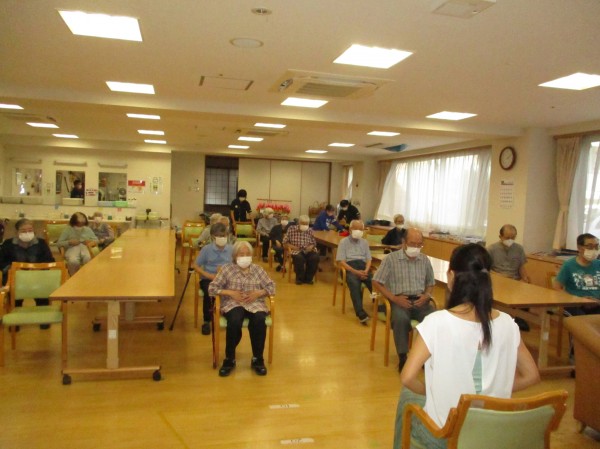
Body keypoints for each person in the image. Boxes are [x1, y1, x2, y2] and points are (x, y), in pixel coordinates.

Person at [393, 243, 540, 448]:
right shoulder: (508, 323)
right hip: (494, 434)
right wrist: (497, 392)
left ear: (451, 276)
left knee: (407, 396)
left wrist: (433, 391)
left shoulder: (437, 322)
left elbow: (407, 377)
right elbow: (532, 376)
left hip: (447, 436)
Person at [209, 241, 276, 377]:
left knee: (259, 320)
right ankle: (229, 359)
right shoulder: (227, 269)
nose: (245, 257)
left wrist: (259, 293)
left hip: (255, 303)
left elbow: (272, 286)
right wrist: (229, 292)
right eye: (241, 254)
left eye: (247, 254)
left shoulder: (258, 270)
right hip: (233, 303)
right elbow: (212, 288)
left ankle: (257, 359)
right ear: (235, 256)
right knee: (234, 320)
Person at [373, 228, 436, 371]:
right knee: (400, 319)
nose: (416, 247)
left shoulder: (424, 260)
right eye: (413, 244)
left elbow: (430, 283)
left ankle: (423, 355)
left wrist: (426, 295)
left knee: (434, 318)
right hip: (399, 300)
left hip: (420, 301)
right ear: (404, 242)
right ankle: (403, 357)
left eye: (419, 244)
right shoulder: (391, 259)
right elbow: (376, 281)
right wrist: (394, 298)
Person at [0, 219, 55, 328]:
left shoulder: (41, 243)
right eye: (23, 231)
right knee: (14, 293)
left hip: (37, 277)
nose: (27, 233)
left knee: (42, 291)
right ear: (17, 232)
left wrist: (39, 269)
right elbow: (1, 262)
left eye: (30, 230)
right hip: (16, 278)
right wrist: (12, 269)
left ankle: (43, 319)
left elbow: (50, 260)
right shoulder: (8, 244)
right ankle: (15, 321)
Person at [487, 224, 531, 331]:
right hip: (498, 280)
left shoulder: (519, 249)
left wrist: (525, 278)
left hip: (515, 281)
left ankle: (520, 318)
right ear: (500, 236)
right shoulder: (491, 249)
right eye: (507, 238)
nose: (510, 240)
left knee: (527, 290)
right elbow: (486, 269)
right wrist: (499, 276)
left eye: (513, 237)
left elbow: (521, 267)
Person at [194, 223, 234, 335]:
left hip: (226, 278)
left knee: (235, 289)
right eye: (219, 236)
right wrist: (207, 275)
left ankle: (229, 315)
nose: (222, 238)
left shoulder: (231, 249)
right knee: (209, 292)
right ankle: (207, 321)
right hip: (209, 278)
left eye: (224, 235)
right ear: (213, 237)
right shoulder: (206, 249)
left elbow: (236, 266)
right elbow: (195, 265)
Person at [336, 220, 373, 324]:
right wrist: (356, 272)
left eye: (361, 229)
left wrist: (365, 271)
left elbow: (369, 259)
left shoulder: (365, 242)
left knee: (375, 282)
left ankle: (379, 305)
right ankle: (360, 312)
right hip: (349, 267)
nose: (358, 231)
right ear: (350, 229)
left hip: (363, 267)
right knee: (354, 284)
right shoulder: (343, 242)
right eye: (356, 229)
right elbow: (341, 262)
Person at [554, 233, 600, 316]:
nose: (594, 250)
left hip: (597, 304)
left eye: (596, 246)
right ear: (579, 248)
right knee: (584, 321)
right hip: (575, 305)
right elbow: (557, 288)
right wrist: (578, 300)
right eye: (590, 246)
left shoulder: (598, 264)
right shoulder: (569, 265)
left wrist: (597, 301)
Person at [283, 215, 319, 285]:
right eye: (303, 223)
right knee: (299, 258)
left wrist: (311, 246)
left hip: (308, 250)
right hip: (296, 251)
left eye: (306, 224)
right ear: (299, 223)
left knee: (315, 258)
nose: (305, 226)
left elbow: (314, 242)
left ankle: (308, 279)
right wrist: (293, 247)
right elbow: (285, 243)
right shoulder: (291, 229)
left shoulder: (310, 230)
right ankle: (299, 278)